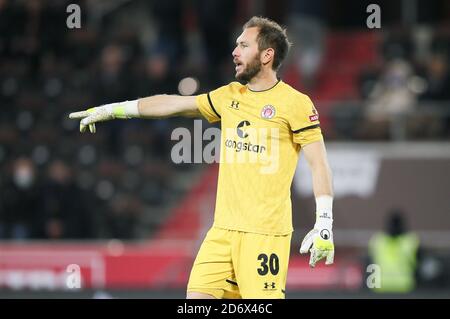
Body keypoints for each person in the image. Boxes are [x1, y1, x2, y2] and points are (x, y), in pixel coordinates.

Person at [69, 16, 334, 299]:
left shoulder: (295, 103)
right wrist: (113, 109)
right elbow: (174, 104)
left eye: (243, 45)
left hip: (264, 236)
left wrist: (324, 223)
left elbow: (319, 164)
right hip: (221, 234)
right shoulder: (229, 95)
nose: (234, 52)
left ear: (267, 54)